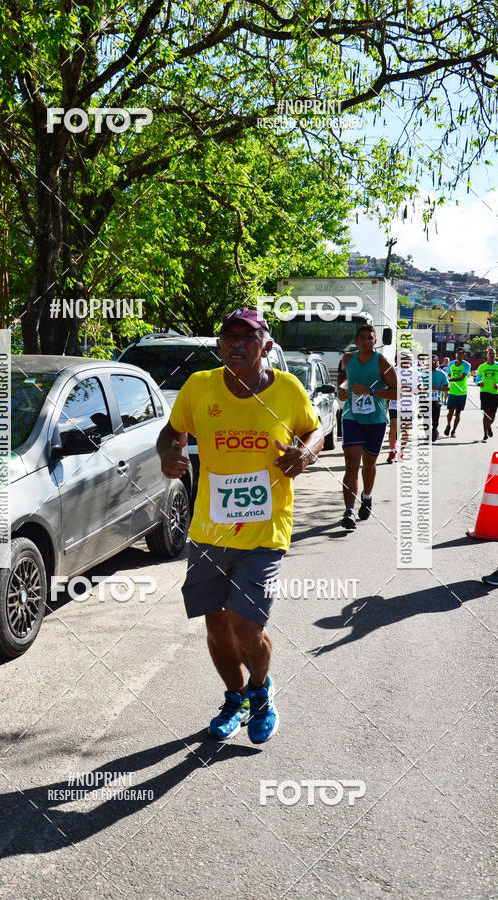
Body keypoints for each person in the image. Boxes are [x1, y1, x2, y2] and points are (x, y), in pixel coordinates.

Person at [156, 307, 323, 743]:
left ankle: (260, 693)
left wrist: (306, 453)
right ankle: (235, 698)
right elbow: (171, 431)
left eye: (247, 337)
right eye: (229, 336)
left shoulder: (287, 389)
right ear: (219, 346)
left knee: (247, 627)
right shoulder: (199, 386)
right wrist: (168, 453)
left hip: (266, 529)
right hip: (209, 530)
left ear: (266, 346)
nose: (237, 343)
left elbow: (315, 430)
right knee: (216, 625)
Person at [337, 324, 397, 529]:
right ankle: (349, 511)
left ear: (375, 341)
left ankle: (367, 496)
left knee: (369, 463)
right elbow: (344, 377)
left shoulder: (382, 362)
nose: (365, 341)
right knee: (351, 464)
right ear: (356, 341)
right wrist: (341, 388)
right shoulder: (347, 359)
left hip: (375, 420)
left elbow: (397, 392)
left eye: (369, 338)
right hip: (351, 416)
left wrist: (371, 391)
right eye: (361, 338)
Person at [386, 349, 422, 462]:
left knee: (405, 430)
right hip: (395, 404)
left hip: (409, 406)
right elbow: (387, 386)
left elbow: (420, 390)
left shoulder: (416, 373)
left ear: (411, 360)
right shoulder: (393, 371)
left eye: (407, 359)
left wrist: (407, 388)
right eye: (402, 359)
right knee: (393, 426)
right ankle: (392, 451)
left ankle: (401, 451)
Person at [475, 347, 498, 442]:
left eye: (494, 353)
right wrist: (479, 383)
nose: (492, 355)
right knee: (486, 415)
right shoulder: (482, 367)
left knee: (492, 416)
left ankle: (489, 426)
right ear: (487, 355)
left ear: (495, 355)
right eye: (490, 353)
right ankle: (485, 435)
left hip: (494, 393)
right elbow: (477, 379)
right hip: (484, 393)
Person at [444, 348, 471, 438]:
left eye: (461, 353)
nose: (459, 355)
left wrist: (451, 379)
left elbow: (462, 378)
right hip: (452, 391)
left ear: (463, 354)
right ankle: (448, 425)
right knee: (450, 412)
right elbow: (448, 375)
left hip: (462, 392)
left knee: (458, 413)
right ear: (455, 354)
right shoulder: (451, 364)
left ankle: (453, 431)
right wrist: (448, 377)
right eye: (457, 353)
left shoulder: (467, 365)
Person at [430, 355, 449, 441]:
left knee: (435, 419)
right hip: (424, 400)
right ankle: (429, 433)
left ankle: (434, 429)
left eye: (435, 361)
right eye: (431, 361)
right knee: (425, 419)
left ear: (438, 362)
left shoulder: (442, 374)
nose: (433, 362)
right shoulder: (423, 373)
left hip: (436, 400)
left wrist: (437, 388)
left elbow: (447, 387)